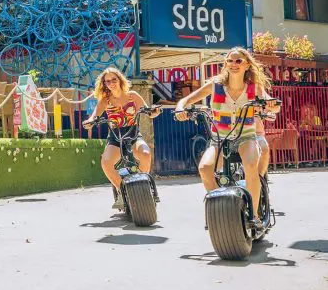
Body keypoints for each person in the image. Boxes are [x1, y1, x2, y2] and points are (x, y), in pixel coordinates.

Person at [174, 47, 280, 230]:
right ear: (225, 64)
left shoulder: (254, 87)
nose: (234, 64)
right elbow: (185, 101)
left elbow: (274, 106)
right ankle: (219, 207)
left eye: (238, 61)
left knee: (251, 166)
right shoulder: (215, 85)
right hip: (219, 139)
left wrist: (271, 105)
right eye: (230, 61)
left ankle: (253, 215)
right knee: (205, 168)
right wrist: (180, 110)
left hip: (245, 137)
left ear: (247, 65)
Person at [82, 67, 161, 210]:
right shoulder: (105, 100)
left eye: (114, 79)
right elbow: (94, 116)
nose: (111, 83)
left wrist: (155, 111)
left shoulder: (133, 95)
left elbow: (149, 112)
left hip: (133, 135)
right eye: (107, 81)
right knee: (106, 163)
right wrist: (89, 123)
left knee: (145, 153)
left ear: (120, 80)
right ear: (104, 84)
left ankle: (144, 187)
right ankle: (122, 192)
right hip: (115, 138)